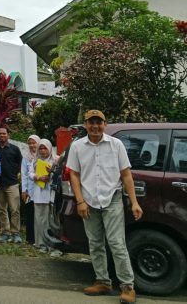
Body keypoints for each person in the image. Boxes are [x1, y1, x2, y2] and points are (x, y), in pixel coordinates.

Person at [67, 110, 142, 304]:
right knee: (95, 242)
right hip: (89, 200)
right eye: (91, 122)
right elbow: (74, 174)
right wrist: (80, 201)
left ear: (105, 124)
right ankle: (103, 281)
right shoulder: (77, 147)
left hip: (112, 199)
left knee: (117, 243)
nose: (95, 126)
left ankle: (127, 286)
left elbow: (126, 174)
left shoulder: (116, 145)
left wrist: (134, 202)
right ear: (85, 125)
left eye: (98, 122)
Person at [0, 125, 23, 243]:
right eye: (0, 133)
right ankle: (5, 232)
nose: (2, 135)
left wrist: (15, 174)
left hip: (12, 183)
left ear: (8, 135)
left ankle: (16, 233)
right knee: (1, 210)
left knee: (14, 209)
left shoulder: (15, 149)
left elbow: (20, 164)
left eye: (4, 133)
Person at [31, 138, 56, 252]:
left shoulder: (55, 161)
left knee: (49, 220)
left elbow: (59, 176)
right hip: (38, 194)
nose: (42, 151)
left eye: (44, 148)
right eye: (40, 148)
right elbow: (30, 173)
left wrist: (51, 172)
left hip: (50, 195)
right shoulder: (35, 161)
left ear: (49, 148)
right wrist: (37, 177)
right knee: (39, 219)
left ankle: (50, 244)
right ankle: (40, 243)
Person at [21, 134, 40, 245]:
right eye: (30, 143)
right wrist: (24, 190)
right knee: (30, 214)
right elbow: (24, 175)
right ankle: (30, 239)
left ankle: (40, 239)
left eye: (34, 143)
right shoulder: (26, 157)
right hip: (30, 190)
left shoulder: (43, 155)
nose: (32, 145)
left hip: (42, 189)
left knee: (40, 215)